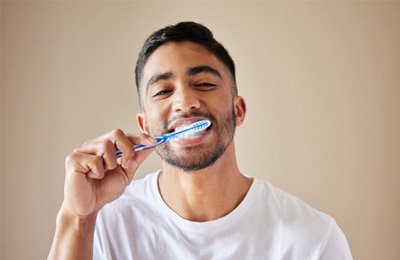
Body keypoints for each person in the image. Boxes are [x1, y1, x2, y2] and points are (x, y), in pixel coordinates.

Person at [48, 21, 353, 260]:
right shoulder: (102, 224)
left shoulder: (313, 240)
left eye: (204, 83)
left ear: (239, 110)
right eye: (163, 91)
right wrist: (77, 218)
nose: (185, 101)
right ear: (145, 125)